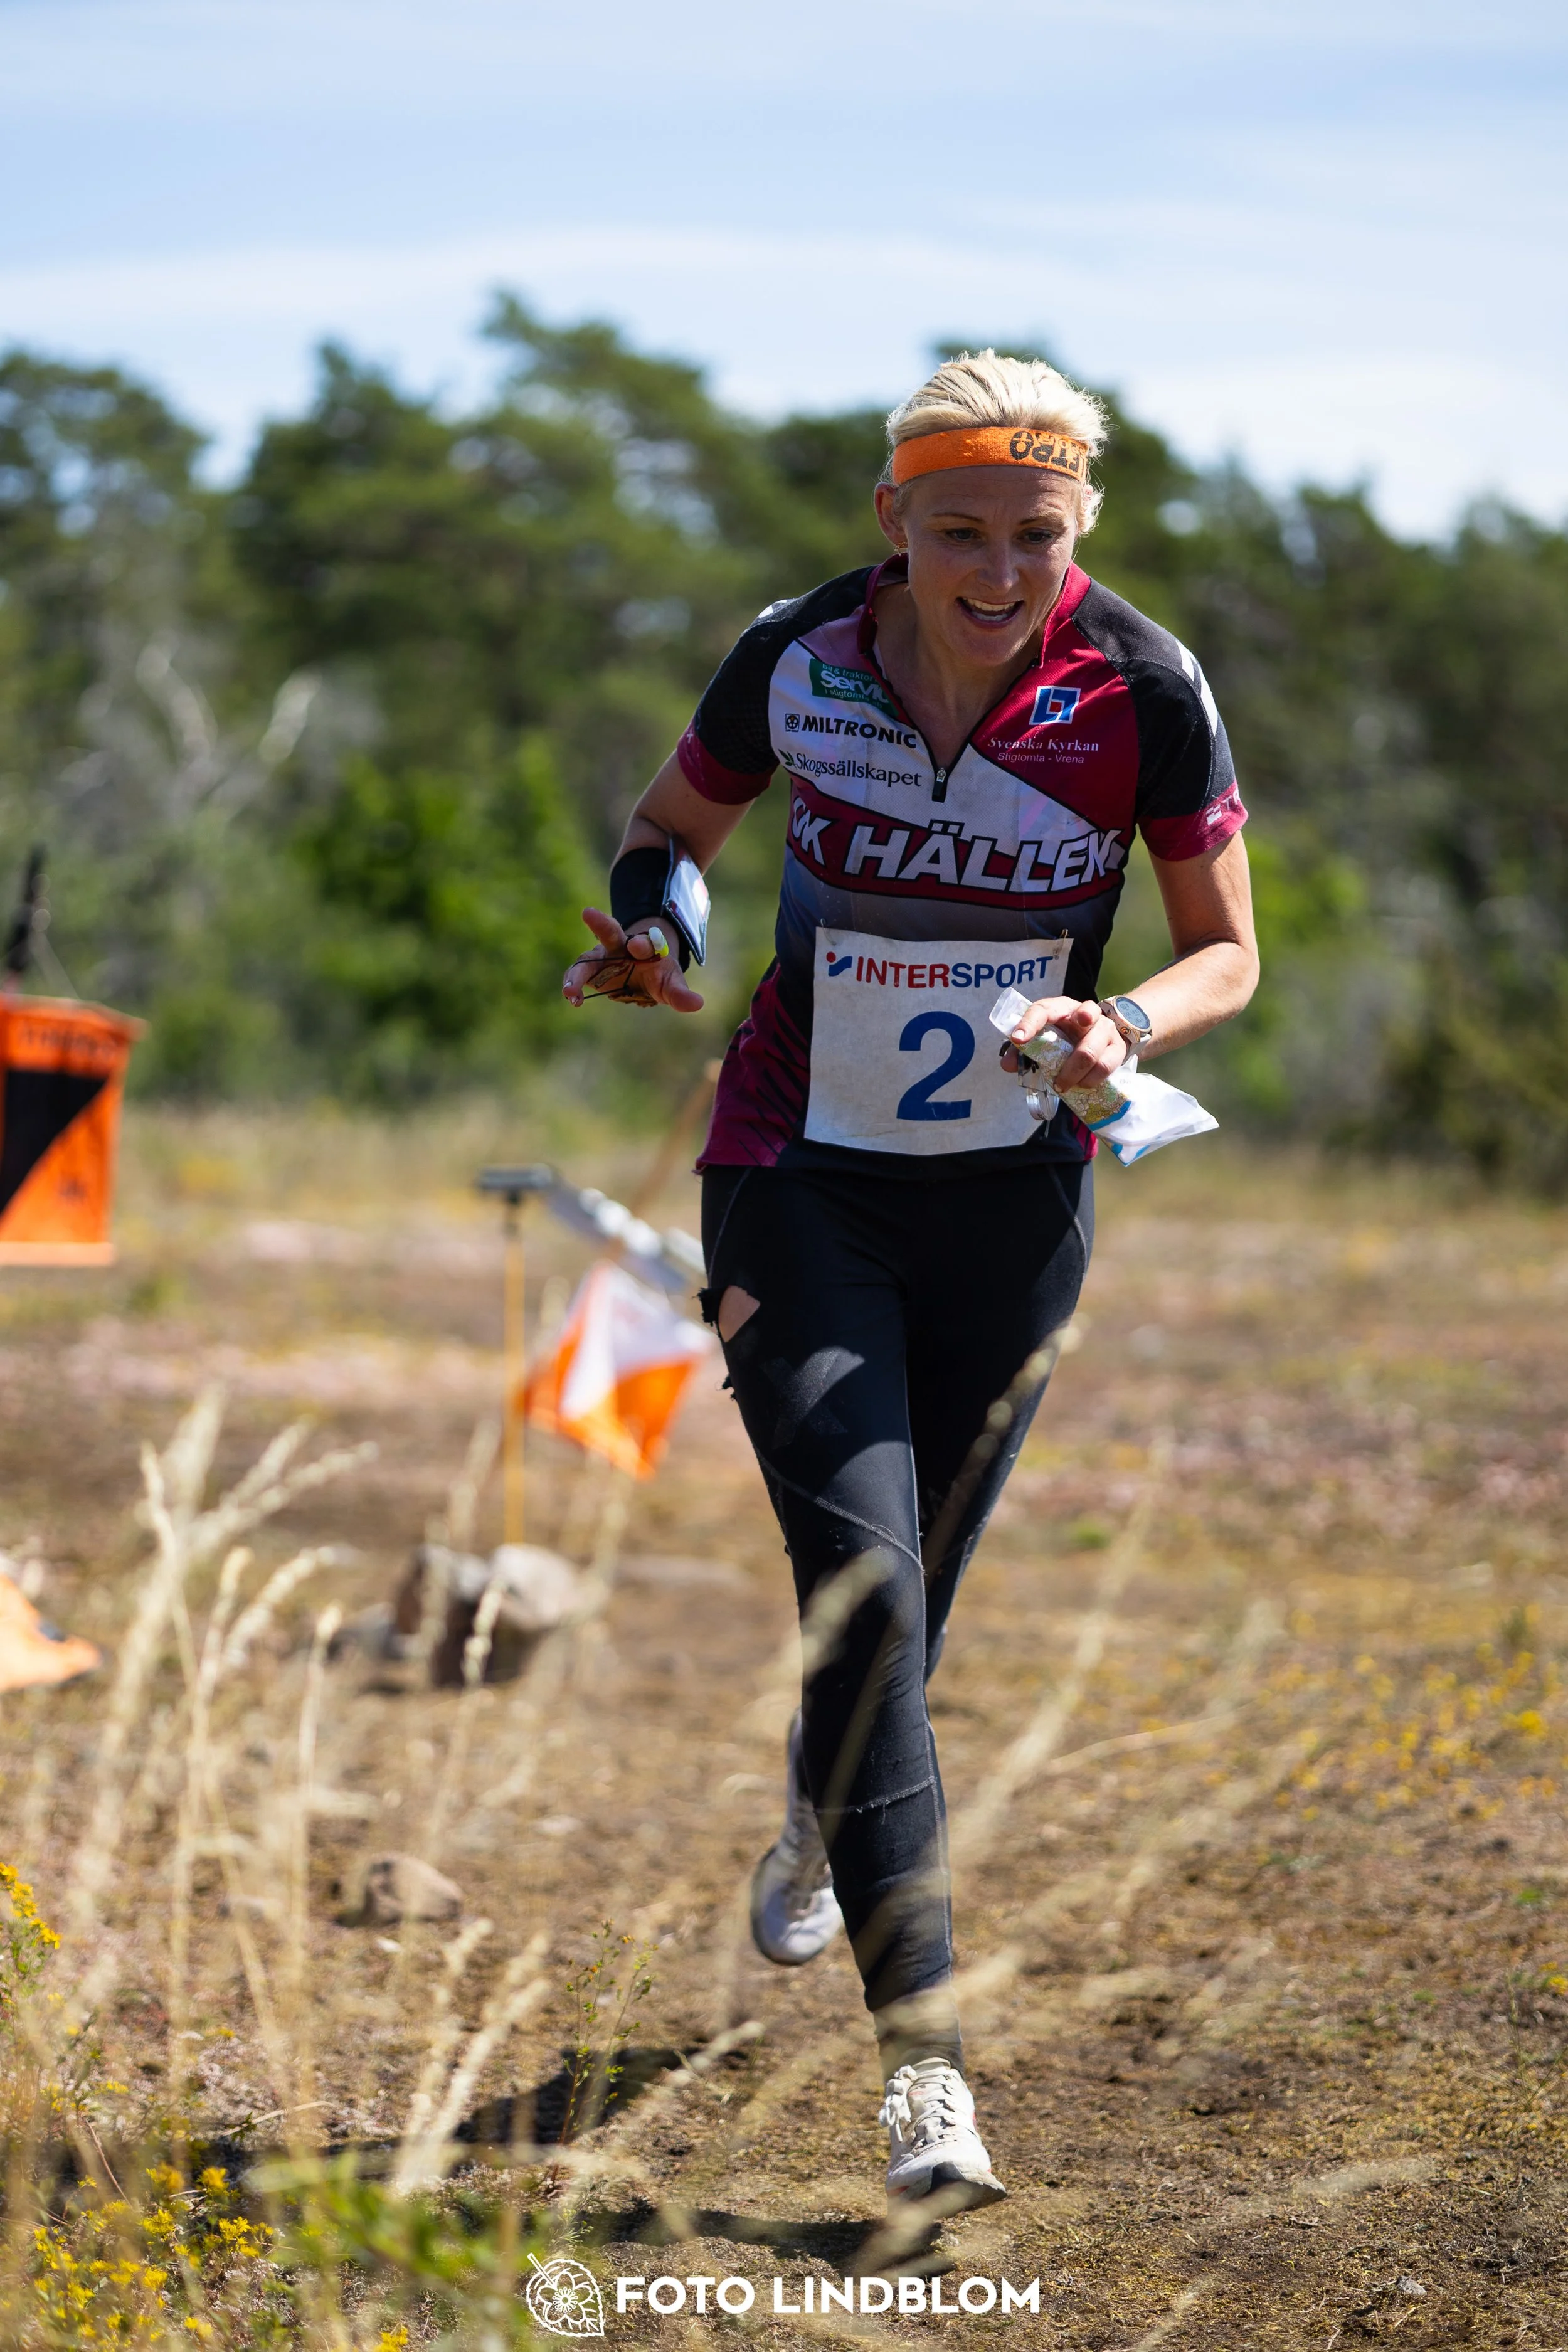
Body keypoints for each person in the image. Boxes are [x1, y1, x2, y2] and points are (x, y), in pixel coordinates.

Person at [563, 351, 1259, 2210]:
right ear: (896, 520)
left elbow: (1225, 956)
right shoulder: (794, 655)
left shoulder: (1145, 688)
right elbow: (667, 832)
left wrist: (1113, 1019)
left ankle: (819, 1799)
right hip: (795, 1179)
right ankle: (925, 2083)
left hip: (1014, 1199)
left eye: (1034, 535)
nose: (996, 570)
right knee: (863, 1593)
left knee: (908, 1610)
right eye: (959, 530)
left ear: (1078, 527)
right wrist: (649, 928)